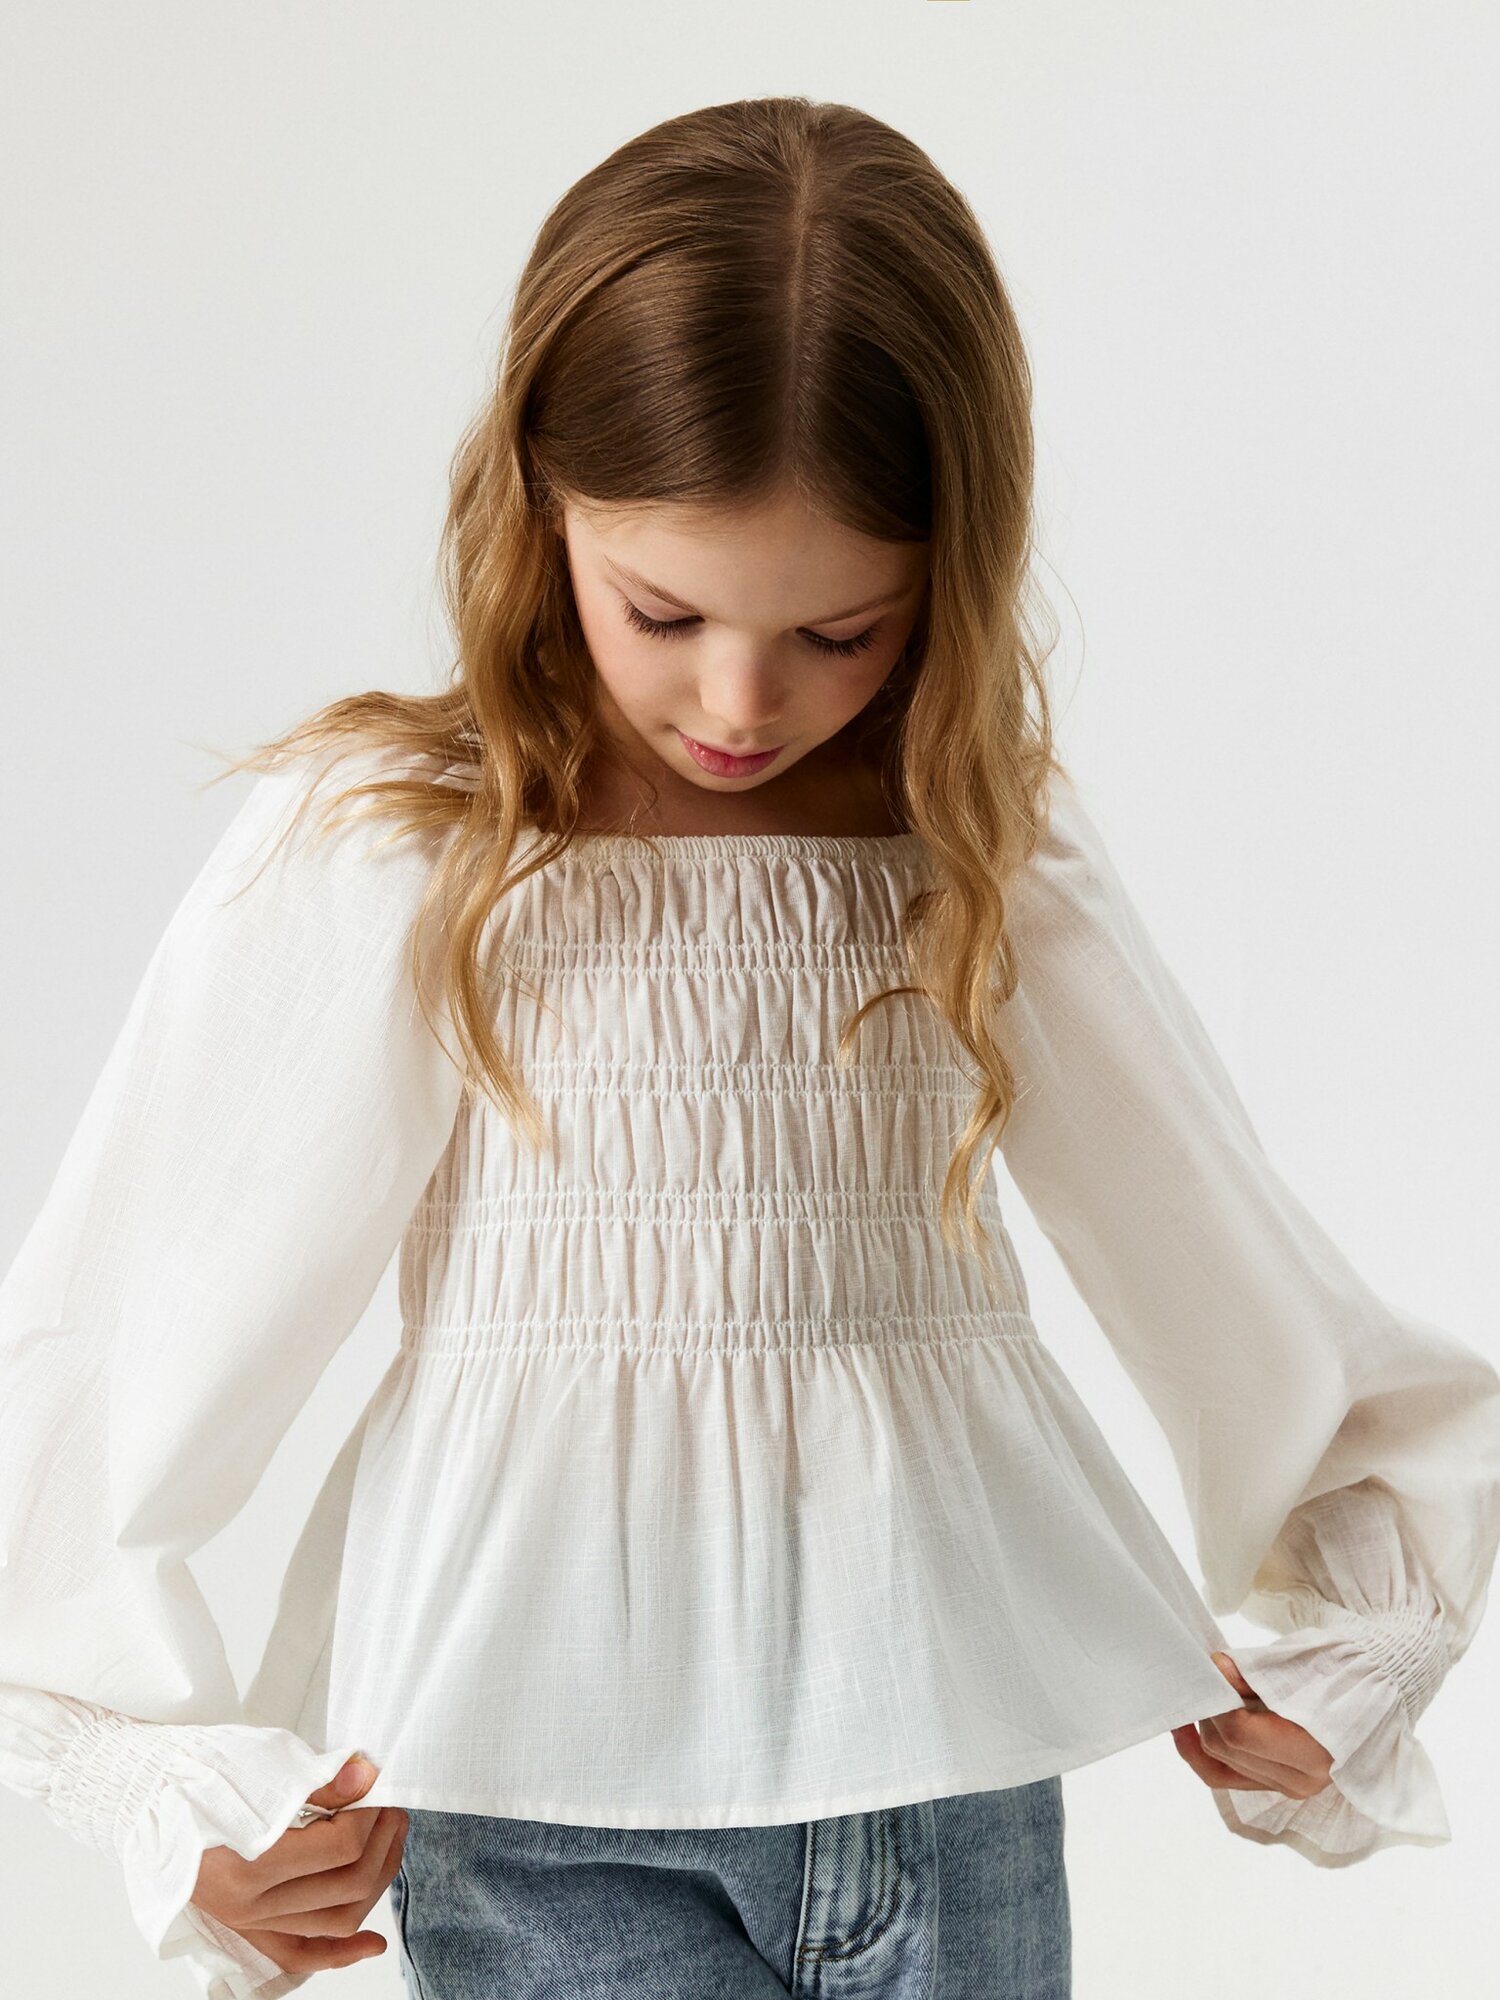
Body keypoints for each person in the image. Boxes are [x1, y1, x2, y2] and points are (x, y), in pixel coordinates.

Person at [3, 94, 1498, 2000]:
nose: (738, 699)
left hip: (946, 1768)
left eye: (841, 633)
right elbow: (128, 1318)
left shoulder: (975, 844)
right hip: (531, 1796)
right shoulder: (407, 852)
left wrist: (1353, 1619)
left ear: (948, 573)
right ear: (543, 500)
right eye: (665, 610)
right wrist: (162, 1782)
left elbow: (1216, 1245)